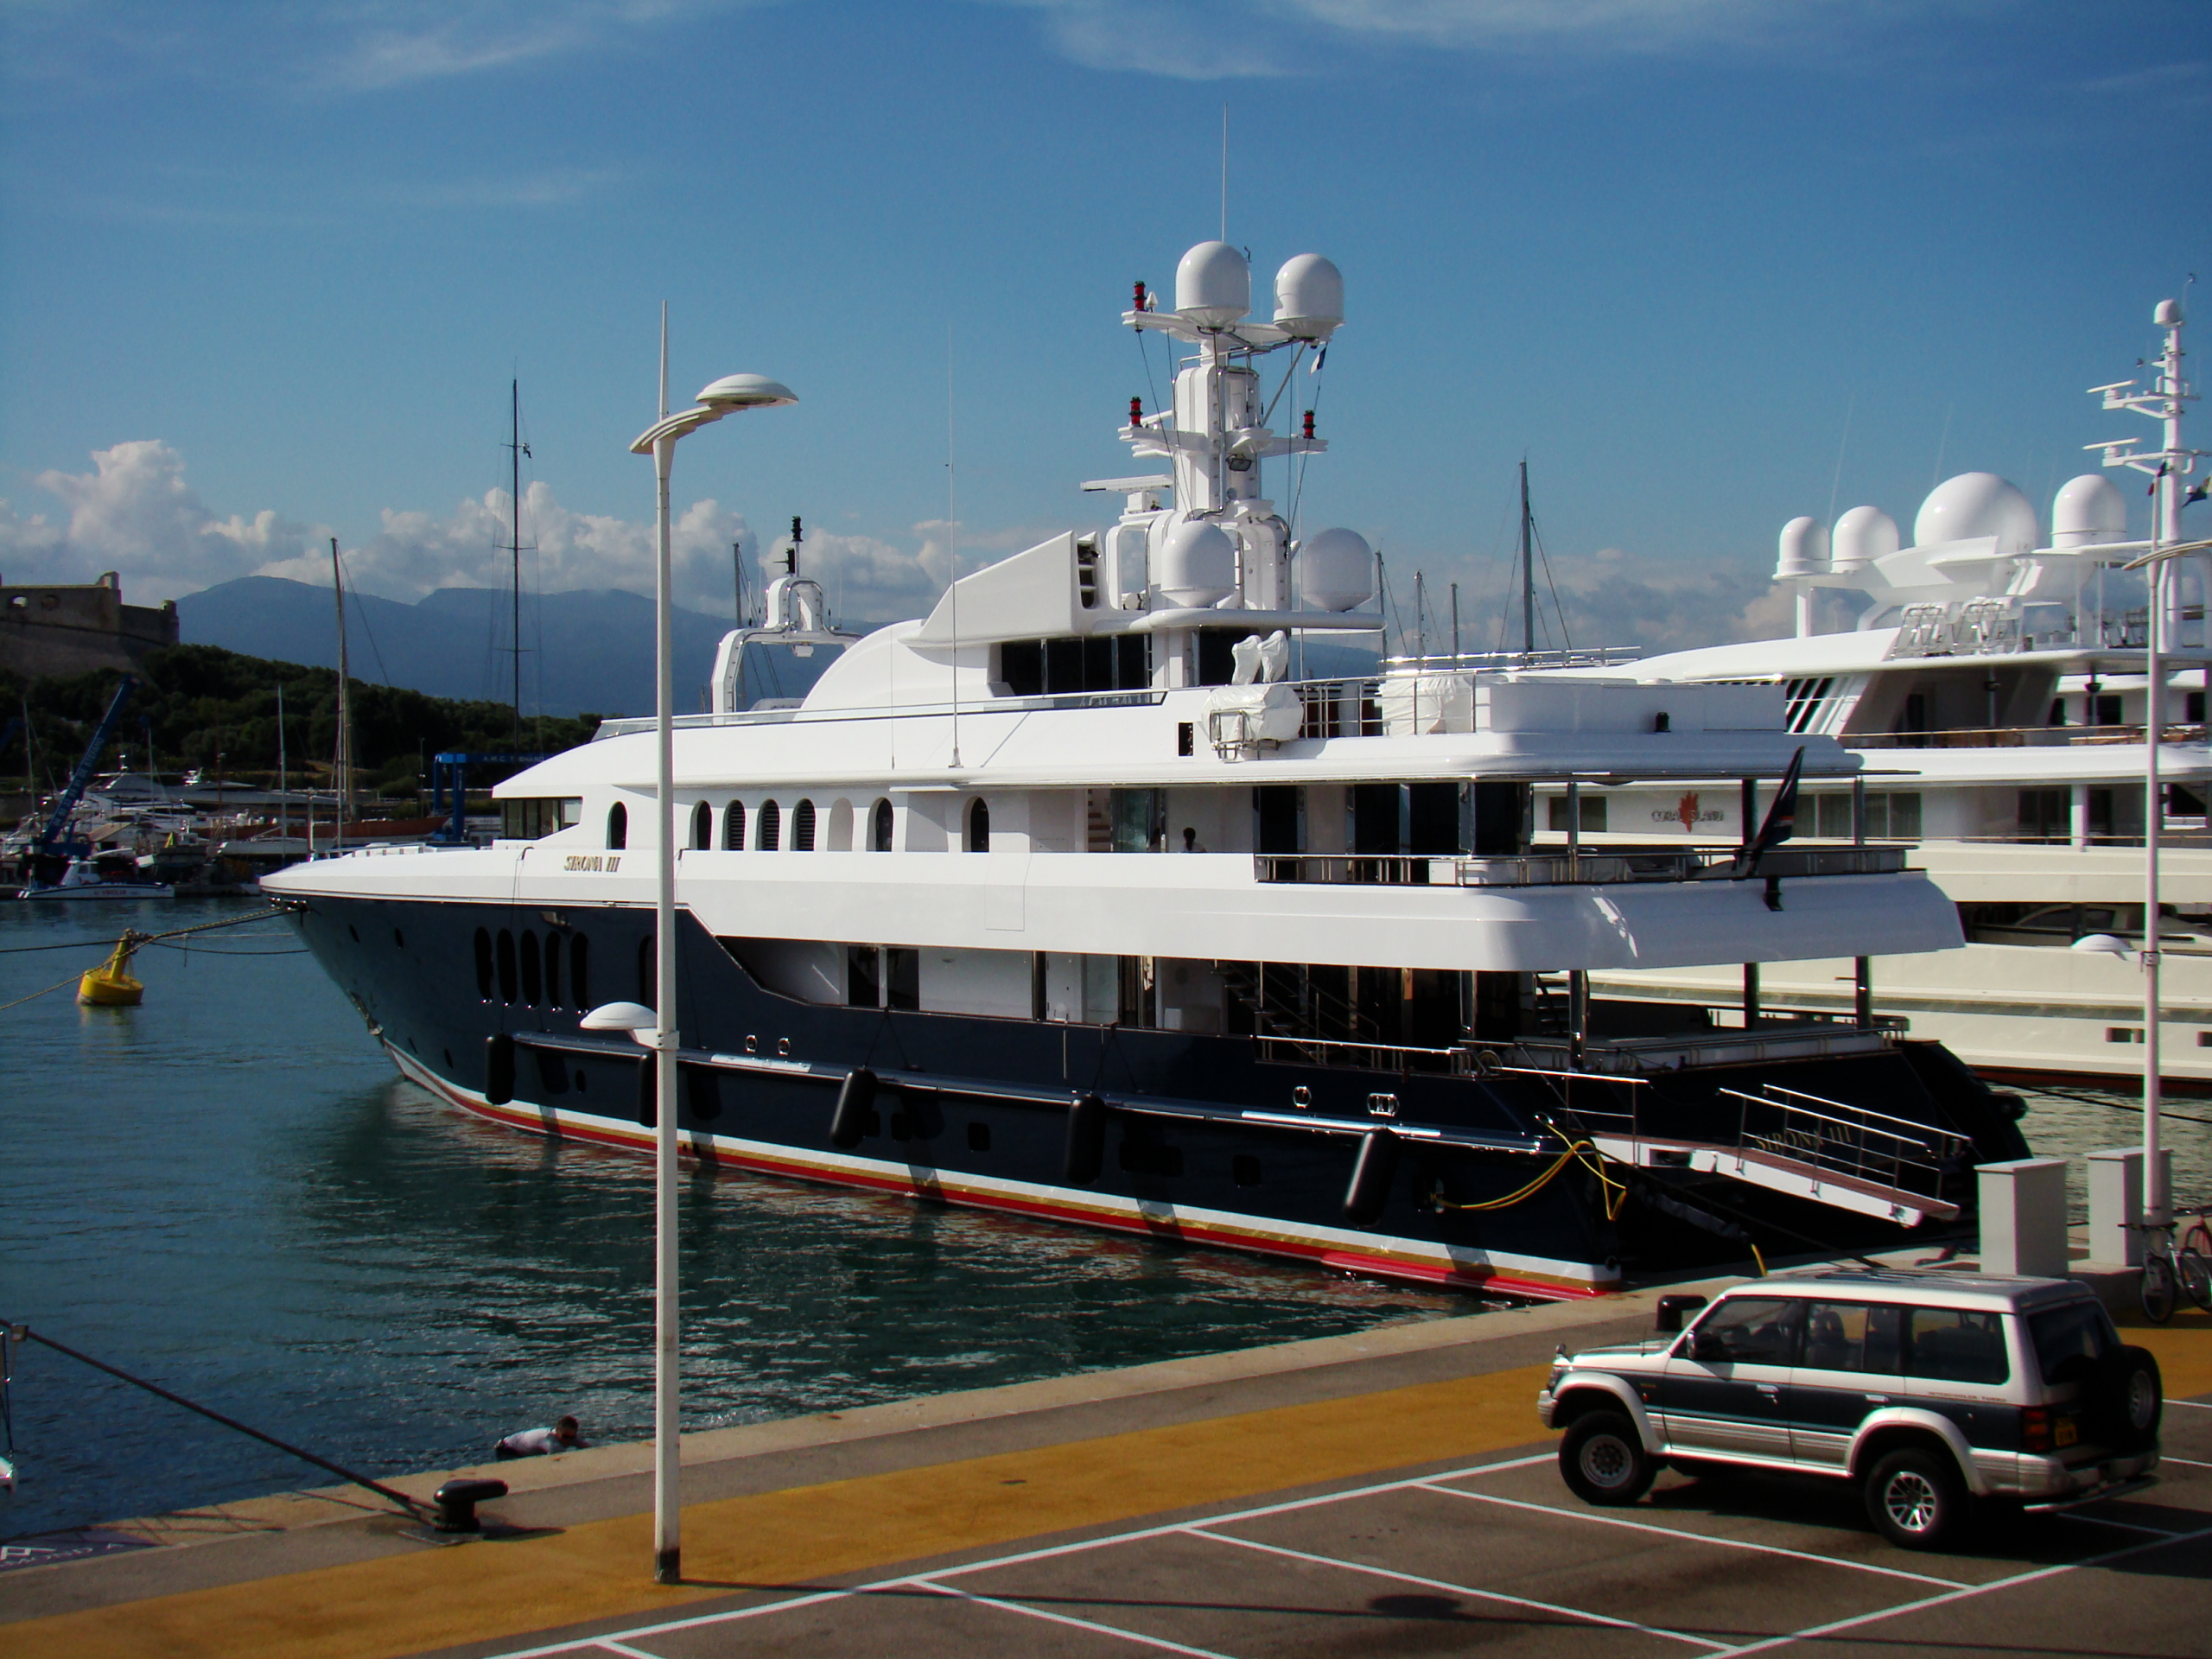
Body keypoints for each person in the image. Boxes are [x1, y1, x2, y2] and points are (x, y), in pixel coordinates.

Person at [495, 1415, 585, 1459]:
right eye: (565, 1437)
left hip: (521, 1447)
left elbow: (589, 1449)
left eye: (572, 1437)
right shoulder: (551, 1444)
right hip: (508, 1449)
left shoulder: (570, 1436)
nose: (568, 1441)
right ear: (557, 1432)